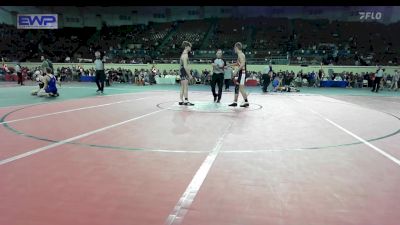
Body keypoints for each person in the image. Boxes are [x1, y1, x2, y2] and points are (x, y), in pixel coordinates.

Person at [228, 42, 249, 107]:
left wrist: (236, 70)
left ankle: (246, 102)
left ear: (236, 48)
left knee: (241, 88)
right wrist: (229, 65)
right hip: (241, 73)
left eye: (234, 48)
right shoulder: (240, 55)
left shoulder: (241, 54)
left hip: (242, 73)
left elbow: (242, 64)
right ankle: (235, 102)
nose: (234, 49)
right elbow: (238, 63)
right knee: (237, 87)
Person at [179, 41, 194, 106]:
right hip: (184, 71)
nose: (190, 48)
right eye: (190, 47)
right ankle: (186, 101)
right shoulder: (185, 55)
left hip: (181, 71)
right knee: (186, 87)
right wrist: (190, 75)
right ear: (186, 47)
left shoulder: (182, 54)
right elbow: (185, 66)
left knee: (182, 87)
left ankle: (181, 101)